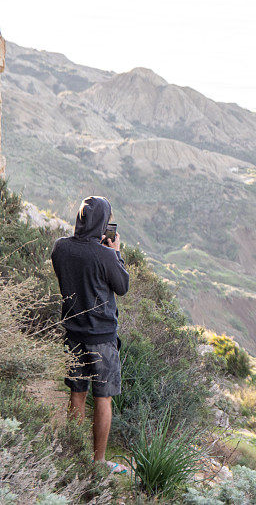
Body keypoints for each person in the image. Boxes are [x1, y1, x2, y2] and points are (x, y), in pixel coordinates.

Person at [51, 196, 129, 473]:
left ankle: (72, 452)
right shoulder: (105, 254)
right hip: (102, 337)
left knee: (77, 393)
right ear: (102, 222)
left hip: (73, 333)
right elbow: (122, 286)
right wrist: (115, 253)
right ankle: (98, 462)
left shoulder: (60, 248)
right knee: (103, 398)